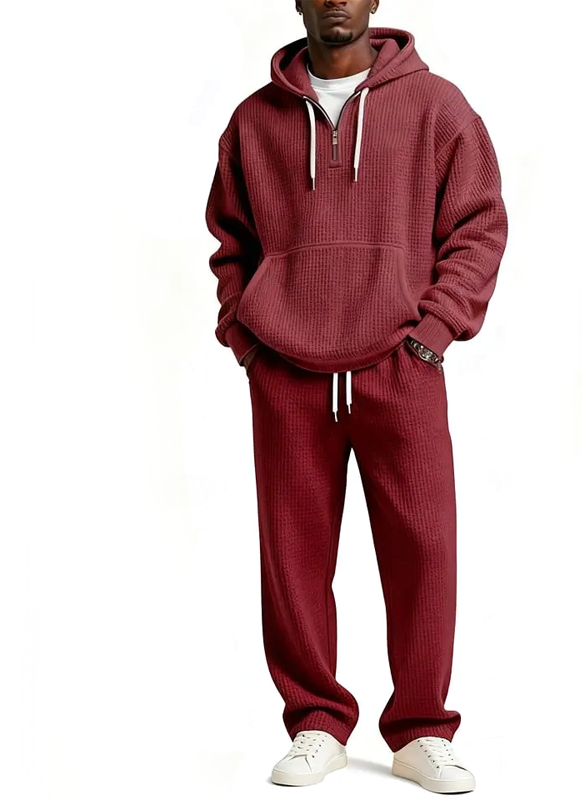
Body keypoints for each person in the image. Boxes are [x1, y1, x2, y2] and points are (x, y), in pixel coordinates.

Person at [205, 0, 508, 792]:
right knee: (293, 555)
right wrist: (248, 340)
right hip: (287, 372)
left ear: (374, 0)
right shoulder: (254, 122)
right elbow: (231, 242)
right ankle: (315, 721)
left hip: (401, 367)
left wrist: (433, 333)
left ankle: (421, 729)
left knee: (425, 551)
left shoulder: (436, 106)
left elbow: (478, 225)